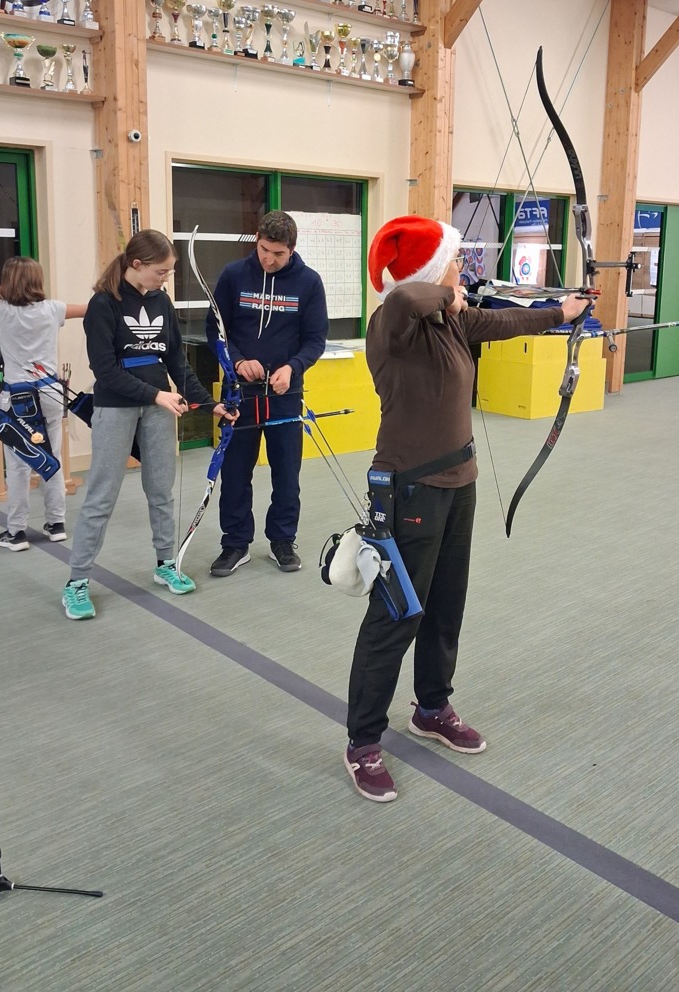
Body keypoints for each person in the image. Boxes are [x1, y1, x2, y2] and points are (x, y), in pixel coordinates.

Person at [344, 215, 584, 802]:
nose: (461, 270)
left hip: (460, 483)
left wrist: (562, 311)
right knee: (398, 613)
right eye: (453, 261)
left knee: (446, 605)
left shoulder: (451, 320)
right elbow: (406, 296)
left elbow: (502, 320)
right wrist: (448, 293)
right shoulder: (394, 323)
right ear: (430, 272)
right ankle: (363, 742)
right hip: (410, 488)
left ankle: (432, 707)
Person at [61, 230, 236, 621]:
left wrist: (210, 404)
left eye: (170, 271)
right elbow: (105, 371)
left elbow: (176, 361)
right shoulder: (103, 304)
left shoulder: (161, 301)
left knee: (161, 490)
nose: (166, 278)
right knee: (101, 496)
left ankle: (165, 563)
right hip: (116, 407)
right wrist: (157, 395)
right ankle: (76, 581)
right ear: (136, 265)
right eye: (161, 271)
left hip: (158, 407)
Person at [205, 210, 327, 577]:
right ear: (256, 239)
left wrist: (294, 367)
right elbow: (215, 331)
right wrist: (238, 361)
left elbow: (315, 339)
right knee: (235, 472)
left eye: (278, 254)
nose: (269, 260)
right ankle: (235, 543)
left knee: (287, 473)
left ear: (293, 249)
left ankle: (282, 540)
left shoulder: (309, 282)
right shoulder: (233, 275)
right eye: (263, 250)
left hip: (285, 394)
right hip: (239, 393)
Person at [0, 259, 87, 551]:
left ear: (8, 282)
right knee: (51, 456)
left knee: (18, 465)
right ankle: (56, 525)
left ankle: (16, 532)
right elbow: (90, 308)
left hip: (18, 397)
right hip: (51, 393)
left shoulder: (3, 310)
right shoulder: (53, 309)